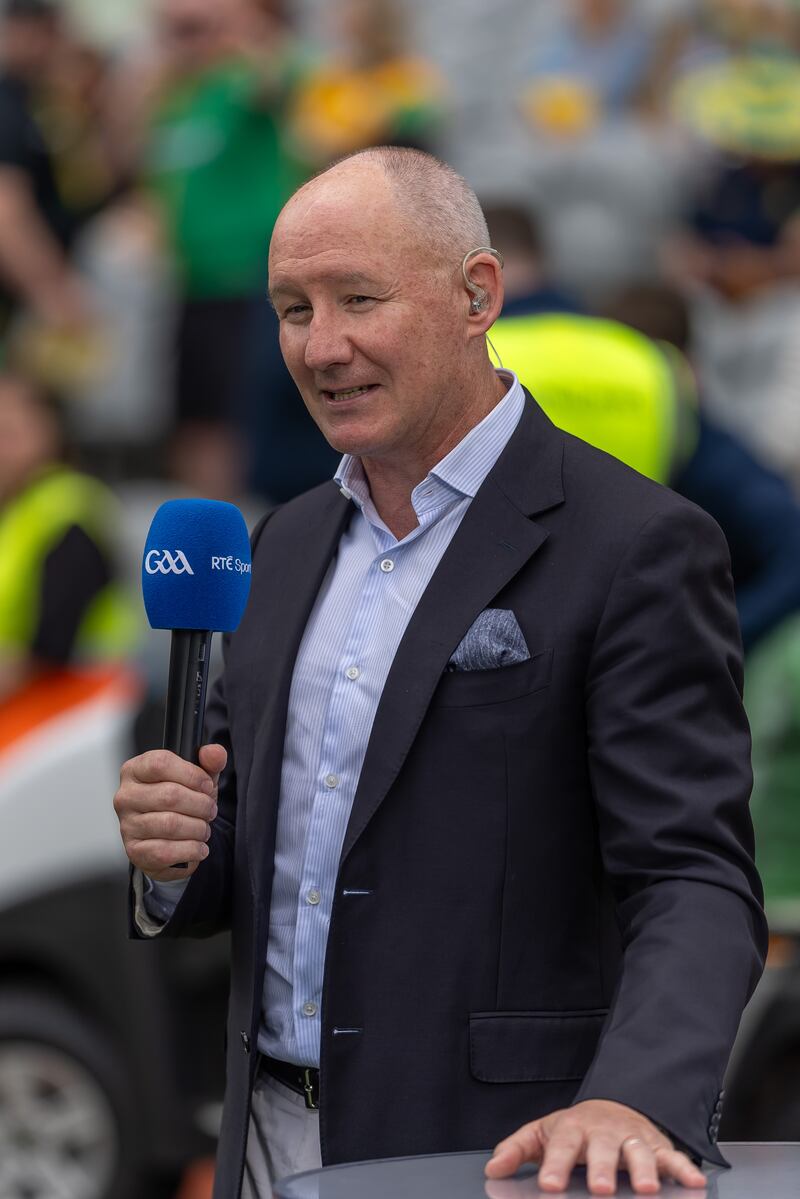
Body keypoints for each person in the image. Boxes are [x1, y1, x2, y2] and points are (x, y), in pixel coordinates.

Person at [114, 148, 766, 1199]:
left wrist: (636, 1097)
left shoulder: (634, 542)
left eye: (357, 298)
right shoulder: (278, 544)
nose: (322, 346)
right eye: (291, 308)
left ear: (475, 294)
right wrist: (174, 849)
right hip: (266, 1144)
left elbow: (690, 874)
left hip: (496, 1154)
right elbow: (254, 853)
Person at [0, 369, 137, 698]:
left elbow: (51, 648)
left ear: (49, 431)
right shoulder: (17, 506)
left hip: (80, 707)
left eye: (8, 433)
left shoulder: (69, 508)